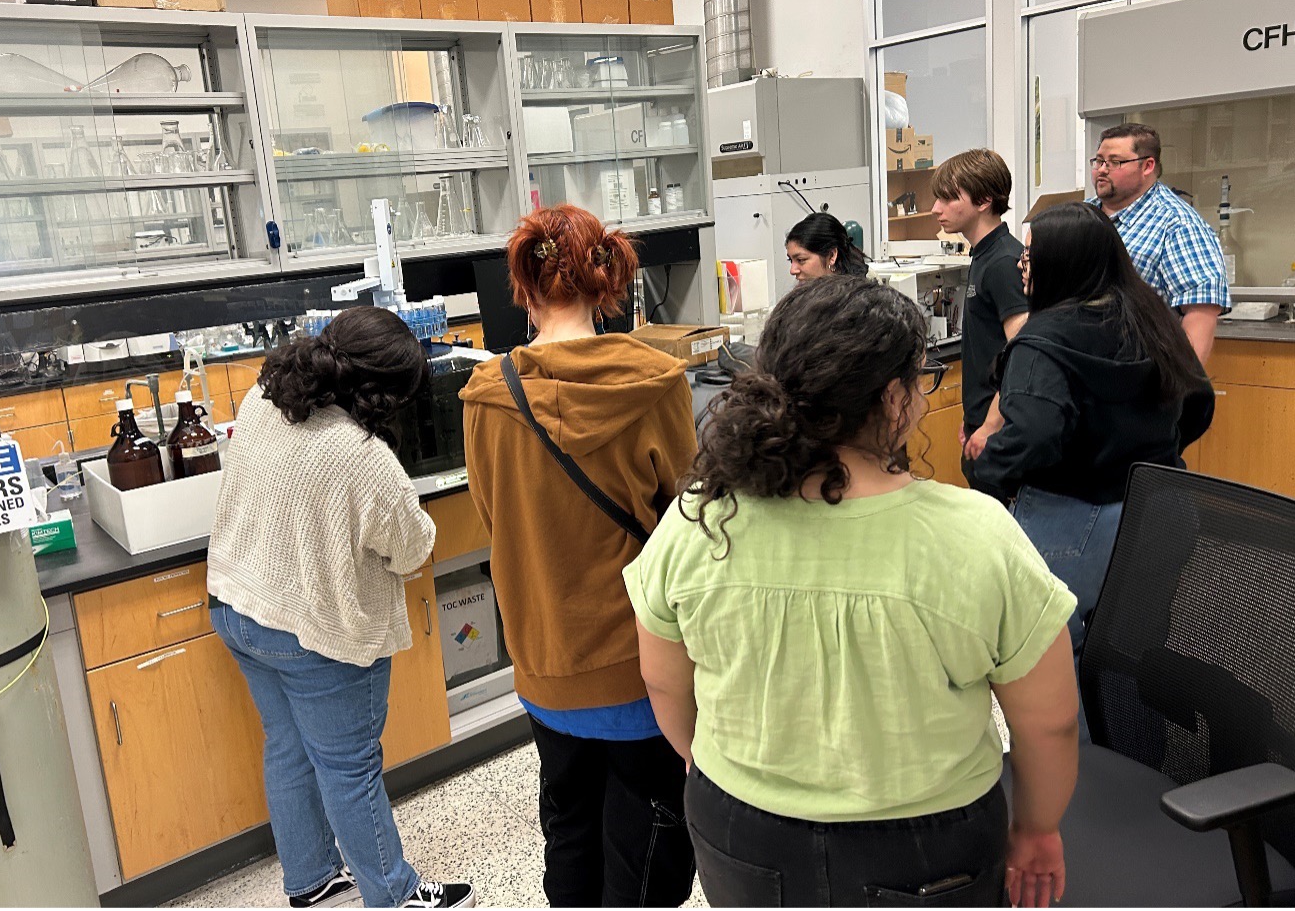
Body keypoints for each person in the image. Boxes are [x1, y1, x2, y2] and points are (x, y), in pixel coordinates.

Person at [625, 277, 1080, 909]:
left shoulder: (701, 519)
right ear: (895, 399)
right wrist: (1037, 828)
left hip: (740, 826)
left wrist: (710, 763)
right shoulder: (976, 537)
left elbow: (665, 682)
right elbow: (1051, 723)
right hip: (923, 845)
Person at [460, 205, 698, 908]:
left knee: (567, 825)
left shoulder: (484, 395)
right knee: (651, 832)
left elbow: (492, 517)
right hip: (639, 661)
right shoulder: (655, 381)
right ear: (607, 281)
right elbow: (685, 519)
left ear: (523, 286)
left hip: (542, 657)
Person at [207, 306, 473, 910]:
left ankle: (310, 877)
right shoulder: (360, 456)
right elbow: (413, 549)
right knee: (350, 769)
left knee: (287, 747)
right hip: (313, 636)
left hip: (237, 606)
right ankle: (395, 896)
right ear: (383, 393)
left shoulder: (263, 398)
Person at [969, 203, 1215, 654]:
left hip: (1072, 519)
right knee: (1133, 657)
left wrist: (984, 472)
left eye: (1030, 255)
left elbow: (1036, 434)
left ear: (1064, 261)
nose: (1022, 265)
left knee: (1058, 660)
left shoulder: (1041, 339)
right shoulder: (1152, 317)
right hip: (1161, 508)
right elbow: (1198, 401)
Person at [1088, 122, 1230, 365]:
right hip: (1082, 369)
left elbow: (1200, 314)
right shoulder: (1084, 215)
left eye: (1115, 162)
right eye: (1099, 161)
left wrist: (1180, 389)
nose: (1102, 169)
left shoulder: (1178, 225)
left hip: (1137, 376)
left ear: (1147, 166)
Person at [929, 149, 1030, 479]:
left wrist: (989, 424)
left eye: (947, 198)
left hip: (1001, 432)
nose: (936, 209)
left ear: (984, 200)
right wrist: (974, 416)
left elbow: (1023, 356)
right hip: (985, 421)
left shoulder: (1003, 262)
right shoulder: (985, 255)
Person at [785, 212, 869, 282]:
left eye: (801, 260)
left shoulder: (859, 297)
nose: (792, 270)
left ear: (832, 256)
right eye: (791, 260)